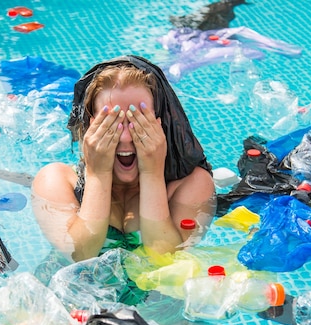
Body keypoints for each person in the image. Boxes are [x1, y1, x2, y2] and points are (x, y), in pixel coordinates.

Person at [32, 55, 216, 262]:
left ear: (162, 125)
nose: (126, 137)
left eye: (138, 121)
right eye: (112, 123)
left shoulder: (192, 185)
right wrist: (98, 174)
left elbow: (164, 258)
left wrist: (152, 173)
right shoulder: (56, 180)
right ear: (90, 126)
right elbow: (80, 254)